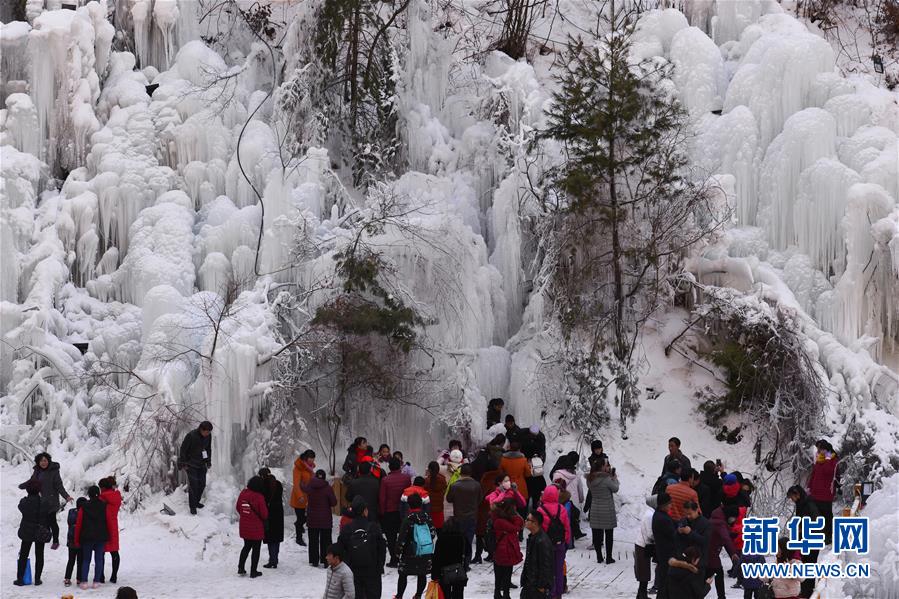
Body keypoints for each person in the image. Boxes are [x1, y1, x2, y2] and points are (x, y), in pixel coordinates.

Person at [19, 452, 73, 548]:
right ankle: (47, 537)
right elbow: (32, 481)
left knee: (52, 521)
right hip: (40, 501)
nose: (43, 463)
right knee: (44, 521)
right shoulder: (37, 471)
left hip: (51, 501)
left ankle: (55, 541)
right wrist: (23, 485)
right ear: (38, 462)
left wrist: (67, 496)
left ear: (48, 461)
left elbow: (59, 485)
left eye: (45, 460)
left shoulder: (53, 471)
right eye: (41, 461)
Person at [338, 497, 386, 599]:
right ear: (365, 511)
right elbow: (382, 549)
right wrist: (379, 565)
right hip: (372, 570)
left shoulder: (347, 528)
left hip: (352, 570)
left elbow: (340, 550)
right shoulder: (374, 527)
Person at [396, 493, 436, 599]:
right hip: (424, 550)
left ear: (409, 505)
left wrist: (398, 551)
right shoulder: (427, 517)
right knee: (422, 574)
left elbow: (402, 538)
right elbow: (432, 533)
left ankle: (399, 596)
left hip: (409, 552)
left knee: (403, 574)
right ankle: (418, 595)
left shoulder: (408, 519)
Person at [787, 485, 821, 598]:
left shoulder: (808, 504)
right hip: (805, 539)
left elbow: (815, 519)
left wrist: (804, 528)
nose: (792, 500)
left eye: (792, 497)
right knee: (805, 564)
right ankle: (805, 590)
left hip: (811, 540)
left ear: (797, 494)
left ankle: (808, 592)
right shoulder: (802, 503)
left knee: (809, 565)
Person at [537, 485, 570, 599]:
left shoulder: (540, 510)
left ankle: (549, 591)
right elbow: (567, 527)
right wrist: (565, 541)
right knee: (559, 569)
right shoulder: (562, 509)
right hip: (559, 544)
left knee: (546, 569)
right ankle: (558, 592)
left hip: (545, 545)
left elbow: (537, 529)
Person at [446, 464, 481, 568]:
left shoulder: (455, 486)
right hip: (472, 516)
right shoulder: (477, 485)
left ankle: (457, 561)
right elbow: (480, 499)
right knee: (469, 540)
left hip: (458, 516)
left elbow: (449, 499)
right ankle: (466, 562)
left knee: (458, 540)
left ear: (460, 473)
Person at [14, 479, 47, 586]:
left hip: (27, 531)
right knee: (39, 555)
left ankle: (20, 579)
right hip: (40, 531)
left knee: (23, 554)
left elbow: (20, 508)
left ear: (27, 490)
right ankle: (37, 579)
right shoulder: (43, 502)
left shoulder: (24, 502)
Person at [75, 484, 109, 589]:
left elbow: (79, 523)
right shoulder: (104, 506)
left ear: (88, 495)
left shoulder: (84, 507)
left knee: (86, 560)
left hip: (87, 536)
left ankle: (84, 581)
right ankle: (96, 581)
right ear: (98, 494)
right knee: (99, 559)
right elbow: (108, 521)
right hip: (101, 536)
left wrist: (77, 539)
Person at [380, 457, 412, 567]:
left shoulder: (385, 480)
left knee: (391, 537)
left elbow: (382, 498)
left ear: (389, 467)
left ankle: (394, 559)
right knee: (405, 535)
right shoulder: (406, 478)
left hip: (390, 512)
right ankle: (405, 557)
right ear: (400, 466)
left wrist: (382, 512)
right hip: (404, 511)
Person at [586, 459, 618, 564]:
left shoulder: (590, 479)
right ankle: (609, 557)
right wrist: (615, 479)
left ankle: (599, 557)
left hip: (595, 508)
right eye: (606, 465)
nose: (608, 467)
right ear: (602, 467)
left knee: (596, 534)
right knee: (608, 534)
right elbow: (615, 488)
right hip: (607, 509)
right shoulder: (607, 479)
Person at [304, 469, 338, 568]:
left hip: (312, 518)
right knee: (326, 540)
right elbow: (334, 503)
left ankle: (314, 560)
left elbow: (303, 488)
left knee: (313, 540)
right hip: (325, 519)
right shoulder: (328, 488)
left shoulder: (310, 487)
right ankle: (326, 560)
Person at [236, 476, 268, 578]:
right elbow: (264, 514)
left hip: (244, 525)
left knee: (246, 546)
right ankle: (253, 571)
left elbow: (238, 507)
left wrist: (245, 515)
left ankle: (241, 568)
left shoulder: (243, 493)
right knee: (256, 549)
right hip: (256, 527)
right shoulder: (259, 496)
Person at [178, 421, 213, 515]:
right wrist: (183, 463)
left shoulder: (208, 436)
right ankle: (192, 507)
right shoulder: (191, 436)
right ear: (201, 429)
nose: (208, 434)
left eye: (209, 432)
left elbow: (208, 449)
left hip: (201, 464)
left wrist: (208, 461)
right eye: (206, 432)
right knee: (194, 486)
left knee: (202, 484)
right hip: (191, 464)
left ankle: (196, 502)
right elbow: (183, 449)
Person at [491, 499, 523, 599]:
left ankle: (499, 593)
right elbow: (517, 526)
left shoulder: (498, 518)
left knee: (500, 572)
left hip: (500, 549)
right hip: (505, 549)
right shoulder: (501, 521)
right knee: (506, 572)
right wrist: (516, 515)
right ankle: (505, 594)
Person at [807, 439, 838, 545]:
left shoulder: (832, 459)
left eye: (821, 448)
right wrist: (809, 487)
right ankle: (818, 535)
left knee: (827, 516)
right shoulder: (819, 459)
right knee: (815, 515)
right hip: (815, 493)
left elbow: (828, 471)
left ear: (826, 449)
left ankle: (828, 537)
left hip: (826, 494)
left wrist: (827, 457)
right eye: (818, 448)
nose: (819, 451)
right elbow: (814, 474)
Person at [707, 504, 740, 599]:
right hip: (711, 553)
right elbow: (725, 538)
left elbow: (725, 536)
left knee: (711, 574)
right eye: (734, 518)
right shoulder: (720, 523)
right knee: (717, 574)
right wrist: (733, 553)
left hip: (709, 552)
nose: (734, 520)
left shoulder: (718, 519)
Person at [521, 510, 554, 599]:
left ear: (535, 523)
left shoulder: (542, 541)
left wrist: (541, 585)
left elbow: (546, 565)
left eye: (528, 519)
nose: (525, 521)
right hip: (530, 584)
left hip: (536, 587)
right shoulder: (533, 537)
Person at [432, 517, 468, 599]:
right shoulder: (462, 538)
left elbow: (437, 558)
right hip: (459, 570)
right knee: (458, 594)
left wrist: (434, 574)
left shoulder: (442, 539)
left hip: (443, 572)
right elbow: (468, 552)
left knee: (444, 594)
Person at [474, 463, 502, 565]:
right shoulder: (500, 479)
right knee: (491, 533)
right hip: (495, 511)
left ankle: (478, 555)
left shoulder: (486, 479)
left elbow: (480, 495)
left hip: (484, 510)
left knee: (480, 534)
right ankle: (491, 554)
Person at [552, 456, 585, 540]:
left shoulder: (557, 475)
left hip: (563, 500)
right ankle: (574, 536)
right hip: (575, 501)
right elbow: (580, 489)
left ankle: (566, 538)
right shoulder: (575, 475)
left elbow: (554, 489)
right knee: (573, 519)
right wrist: (581, 499)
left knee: (563, 521)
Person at [652, 492, 677, 599]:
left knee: (664, 581)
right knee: (665, 582)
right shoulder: (663, 519)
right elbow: (674, 535)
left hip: (662, 552)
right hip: (666, 553)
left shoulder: (659, 514)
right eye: (669, 503)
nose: (671, 506)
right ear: (664, 505)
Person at [258, 468, 284, 568]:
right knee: (276, 538)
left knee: (270, 537)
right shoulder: (278, 484)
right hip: (278, 512)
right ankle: (275, 558)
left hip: (268, 513)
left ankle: (272, 559)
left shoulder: (263, 485)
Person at [99, 476, 123, 583]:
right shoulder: (117, 497)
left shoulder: (101, 498)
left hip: (102, 526)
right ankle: (114, 576)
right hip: (113, 525)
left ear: (103, 488)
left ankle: (101, 576)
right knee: (114, 552)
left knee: (101, 552)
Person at [291, 449, 316, 546]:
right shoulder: (298, 468)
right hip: (299, 498)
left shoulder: (309, 468)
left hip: (309, 496)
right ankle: (299, 538)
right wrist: (300, 496)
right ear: (306, 458)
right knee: (301, 518)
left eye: (313, 458)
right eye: (310, 458)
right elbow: (296, 484)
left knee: (306, 517)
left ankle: (298, 525)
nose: (312, 460)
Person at [634, 496, 656, 599]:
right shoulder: (650, 515)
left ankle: (641, 594)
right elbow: (650, 534)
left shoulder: (650, 513)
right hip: (643, 545)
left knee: (643, 571)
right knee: (644, 572)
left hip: (642, 544)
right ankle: (642, 595)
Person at [500, 441, 532, 508]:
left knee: (508, 506)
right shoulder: (523, 460)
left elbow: (500, 472)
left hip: (507, 484)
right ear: (519, 449)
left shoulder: (503, 459)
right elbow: (528, 474)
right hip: (520, 485)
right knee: (521, 504)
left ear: (510, 448)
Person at [65, 496, 87, 586]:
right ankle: (79, 578)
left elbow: (69, 522)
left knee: (71, 560)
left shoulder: (71, 512)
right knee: (80, 561)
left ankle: (67, 578)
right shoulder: (85, 514)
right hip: (81, 541)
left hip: (71, 540)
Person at [425, 461, 447, 529]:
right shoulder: (443, 480)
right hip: (439, 508)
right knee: (439, 529)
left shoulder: (427, 481)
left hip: (429, 509)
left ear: (429, 469)